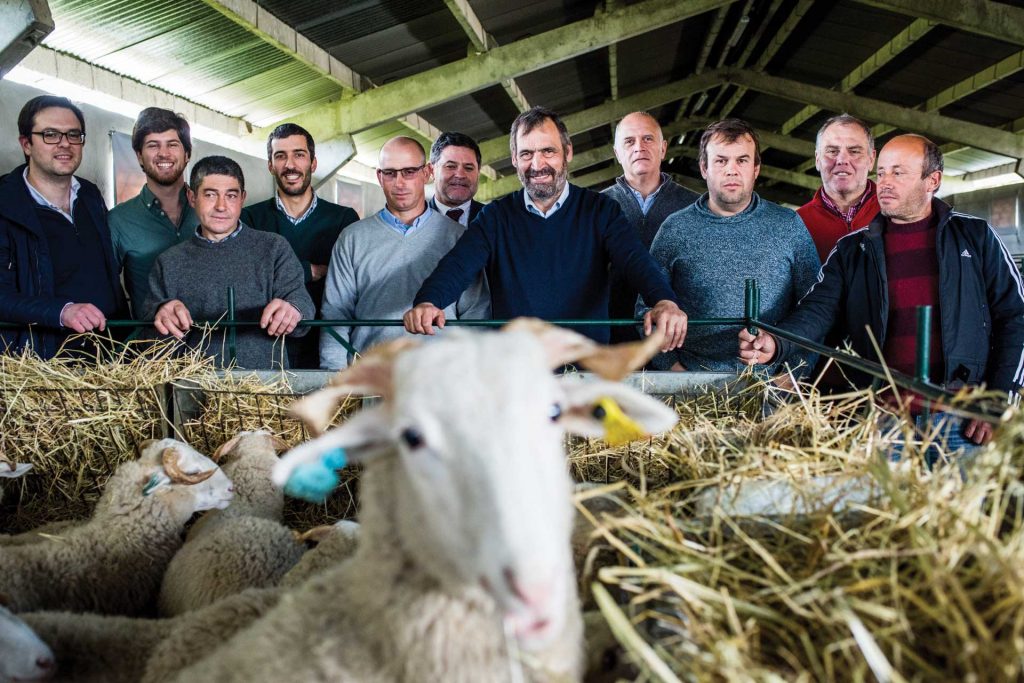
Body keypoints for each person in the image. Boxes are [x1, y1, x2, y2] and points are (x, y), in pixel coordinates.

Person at [739, 134, 1024, 448]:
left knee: (958, 498)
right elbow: (817, 310)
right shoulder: (853, 249)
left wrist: (999, 402)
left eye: (898, 173)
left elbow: (1015, 318)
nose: (885, 182)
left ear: (933, 180)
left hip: (961, 419)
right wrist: (777, 342)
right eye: (882, 172)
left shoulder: (974, 236)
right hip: (882, 420)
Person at [404, 106, 687, 348]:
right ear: (514, 158)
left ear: (567, 152)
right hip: (519, 368)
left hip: (584, 366)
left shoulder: (600, 210)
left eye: (548, 151)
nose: (537, 164)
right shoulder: (496, 217)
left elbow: (635, 260)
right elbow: (459, 264)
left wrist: (663, 300)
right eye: (526, 154)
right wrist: (430, 300)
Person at [649, 119, 819, 373]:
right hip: (692, 382)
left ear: (756, 169)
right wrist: (675, 373)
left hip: (768, 383)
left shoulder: (788, 225)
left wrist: (789, 378)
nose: (732, 170)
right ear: (704, 168)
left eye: (742, 160)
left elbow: (814, 307)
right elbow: (647, 307)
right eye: (721, 161)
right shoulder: (675, 228)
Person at [320, 137, 488, 369]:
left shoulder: (459, 238)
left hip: (441, 376)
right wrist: (334, 379)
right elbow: (335, 315)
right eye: (390, 173)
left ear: (427, 173)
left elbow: (476, 314)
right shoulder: (352, 239)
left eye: (409, 171)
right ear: (379, 177)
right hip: (372, 377)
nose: (399, 183)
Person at [143, 156, 314, 369]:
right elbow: (151, 339)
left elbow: (301, 302)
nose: (221, 206)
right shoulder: (169, 262)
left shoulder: (273, 248)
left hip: (265, 389)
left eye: (231, 195)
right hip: (195, 388)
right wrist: (161, 312)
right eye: (210, 195)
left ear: (242, 198)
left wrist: (293, 308)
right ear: (192, 197)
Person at [0, 95, 125, 358]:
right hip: (41, 364)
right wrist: (62, 311)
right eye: (50, 135)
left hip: (104, 356)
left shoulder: (90, 195)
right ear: (26, 144)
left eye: (73, 134)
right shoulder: (6, 204)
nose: (65, 144)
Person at [241, 123, 359, 368]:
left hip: (326, 344)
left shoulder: (342, 219)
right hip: (267, 348)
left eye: (299, 155)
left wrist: (280, 275)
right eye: (280, 156)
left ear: (313, 163)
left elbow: (346, 285)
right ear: (270, 165)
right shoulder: (250, 218)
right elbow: (253, 282)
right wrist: (312, 271)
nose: (290, 165)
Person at [603, 111, 699, 342]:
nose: (639, 147)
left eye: (648, 139)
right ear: (617, 153)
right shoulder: (597, 207)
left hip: (677, 339)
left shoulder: (696, 205)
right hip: (614, 339)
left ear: (663, 148)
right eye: (629, 141)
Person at [109, 107, 198, 317]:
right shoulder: (118, 221)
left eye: (172, 144)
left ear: (187, 154)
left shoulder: (213, 211)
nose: (163, 153)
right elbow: (106, 290)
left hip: (216, 343)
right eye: (153, 145)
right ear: (139, 156)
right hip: (153, 346)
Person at [798, 114, 880, 263]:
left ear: (871, 159)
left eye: (854, 151)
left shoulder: (896, 215)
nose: (842, 160)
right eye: (832, 151)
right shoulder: (796, 224)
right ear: (817, 159)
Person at [427, 132, 484, 227]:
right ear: (431, 171)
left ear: (478, 172)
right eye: (450, 166)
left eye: (469, 168)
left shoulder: (496, 220)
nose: (460, 175)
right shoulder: (410, 223)